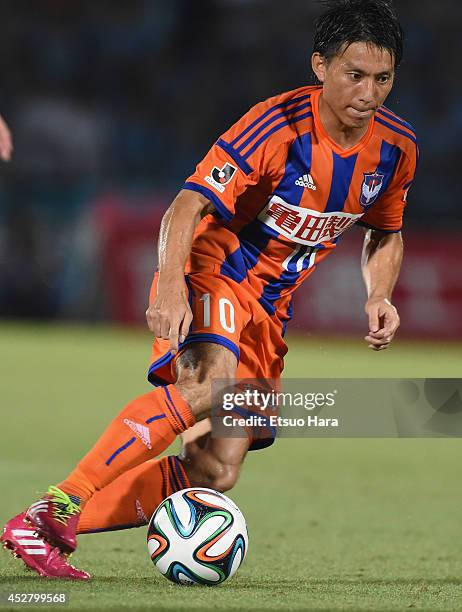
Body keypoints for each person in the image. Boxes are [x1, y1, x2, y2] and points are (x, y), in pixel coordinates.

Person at [2, 0, 418, 580]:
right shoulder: (275, 126)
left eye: (383, 78)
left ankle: (32, 524)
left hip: (271, 311)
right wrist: (171, 283)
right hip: (214, 269)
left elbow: (385, 234)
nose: (369, 92)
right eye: (355, 74)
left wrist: (379, 294)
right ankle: (61, 502)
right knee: (209, 389)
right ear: (320, 66)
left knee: (215, 470)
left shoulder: (397, 149)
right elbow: (188, 203)